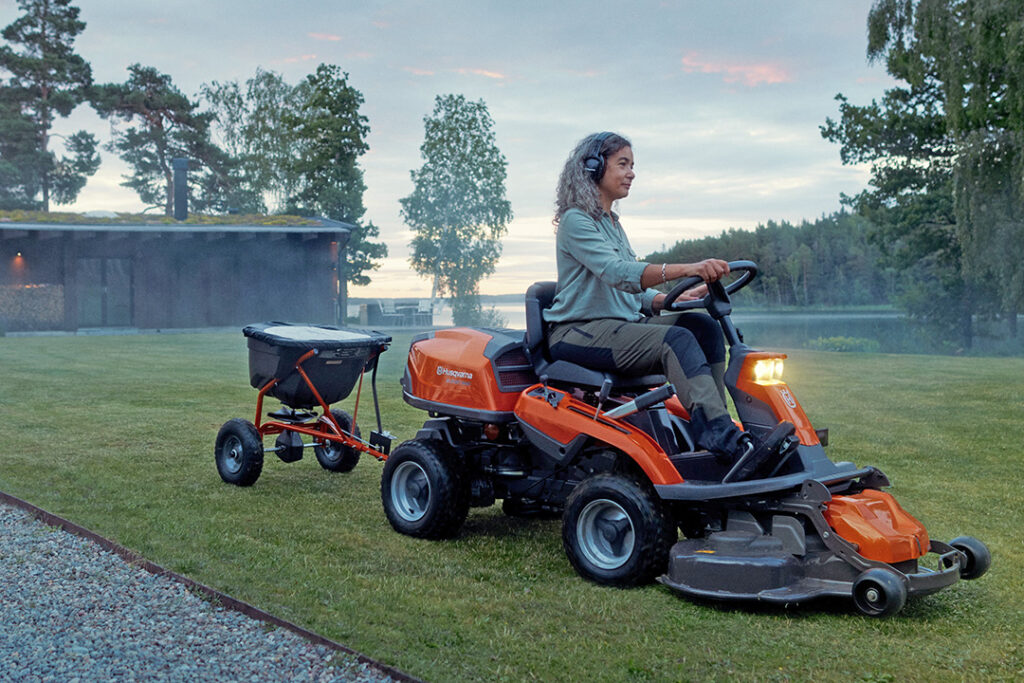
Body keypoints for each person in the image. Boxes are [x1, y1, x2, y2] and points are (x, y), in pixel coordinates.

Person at [543, 131, 794, 481]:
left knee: (702, 327)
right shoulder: (575, 221)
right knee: (673, 340)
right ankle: (724, 439)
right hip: (578, 331)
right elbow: (618, 273)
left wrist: (667, 299)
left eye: (633, 165)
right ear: (594, 167)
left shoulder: (612, 223)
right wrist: (688, 268)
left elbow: (629, 292)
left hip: (619, 325)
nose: (631, 173)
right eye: (623, 164)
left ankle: (716, 429)